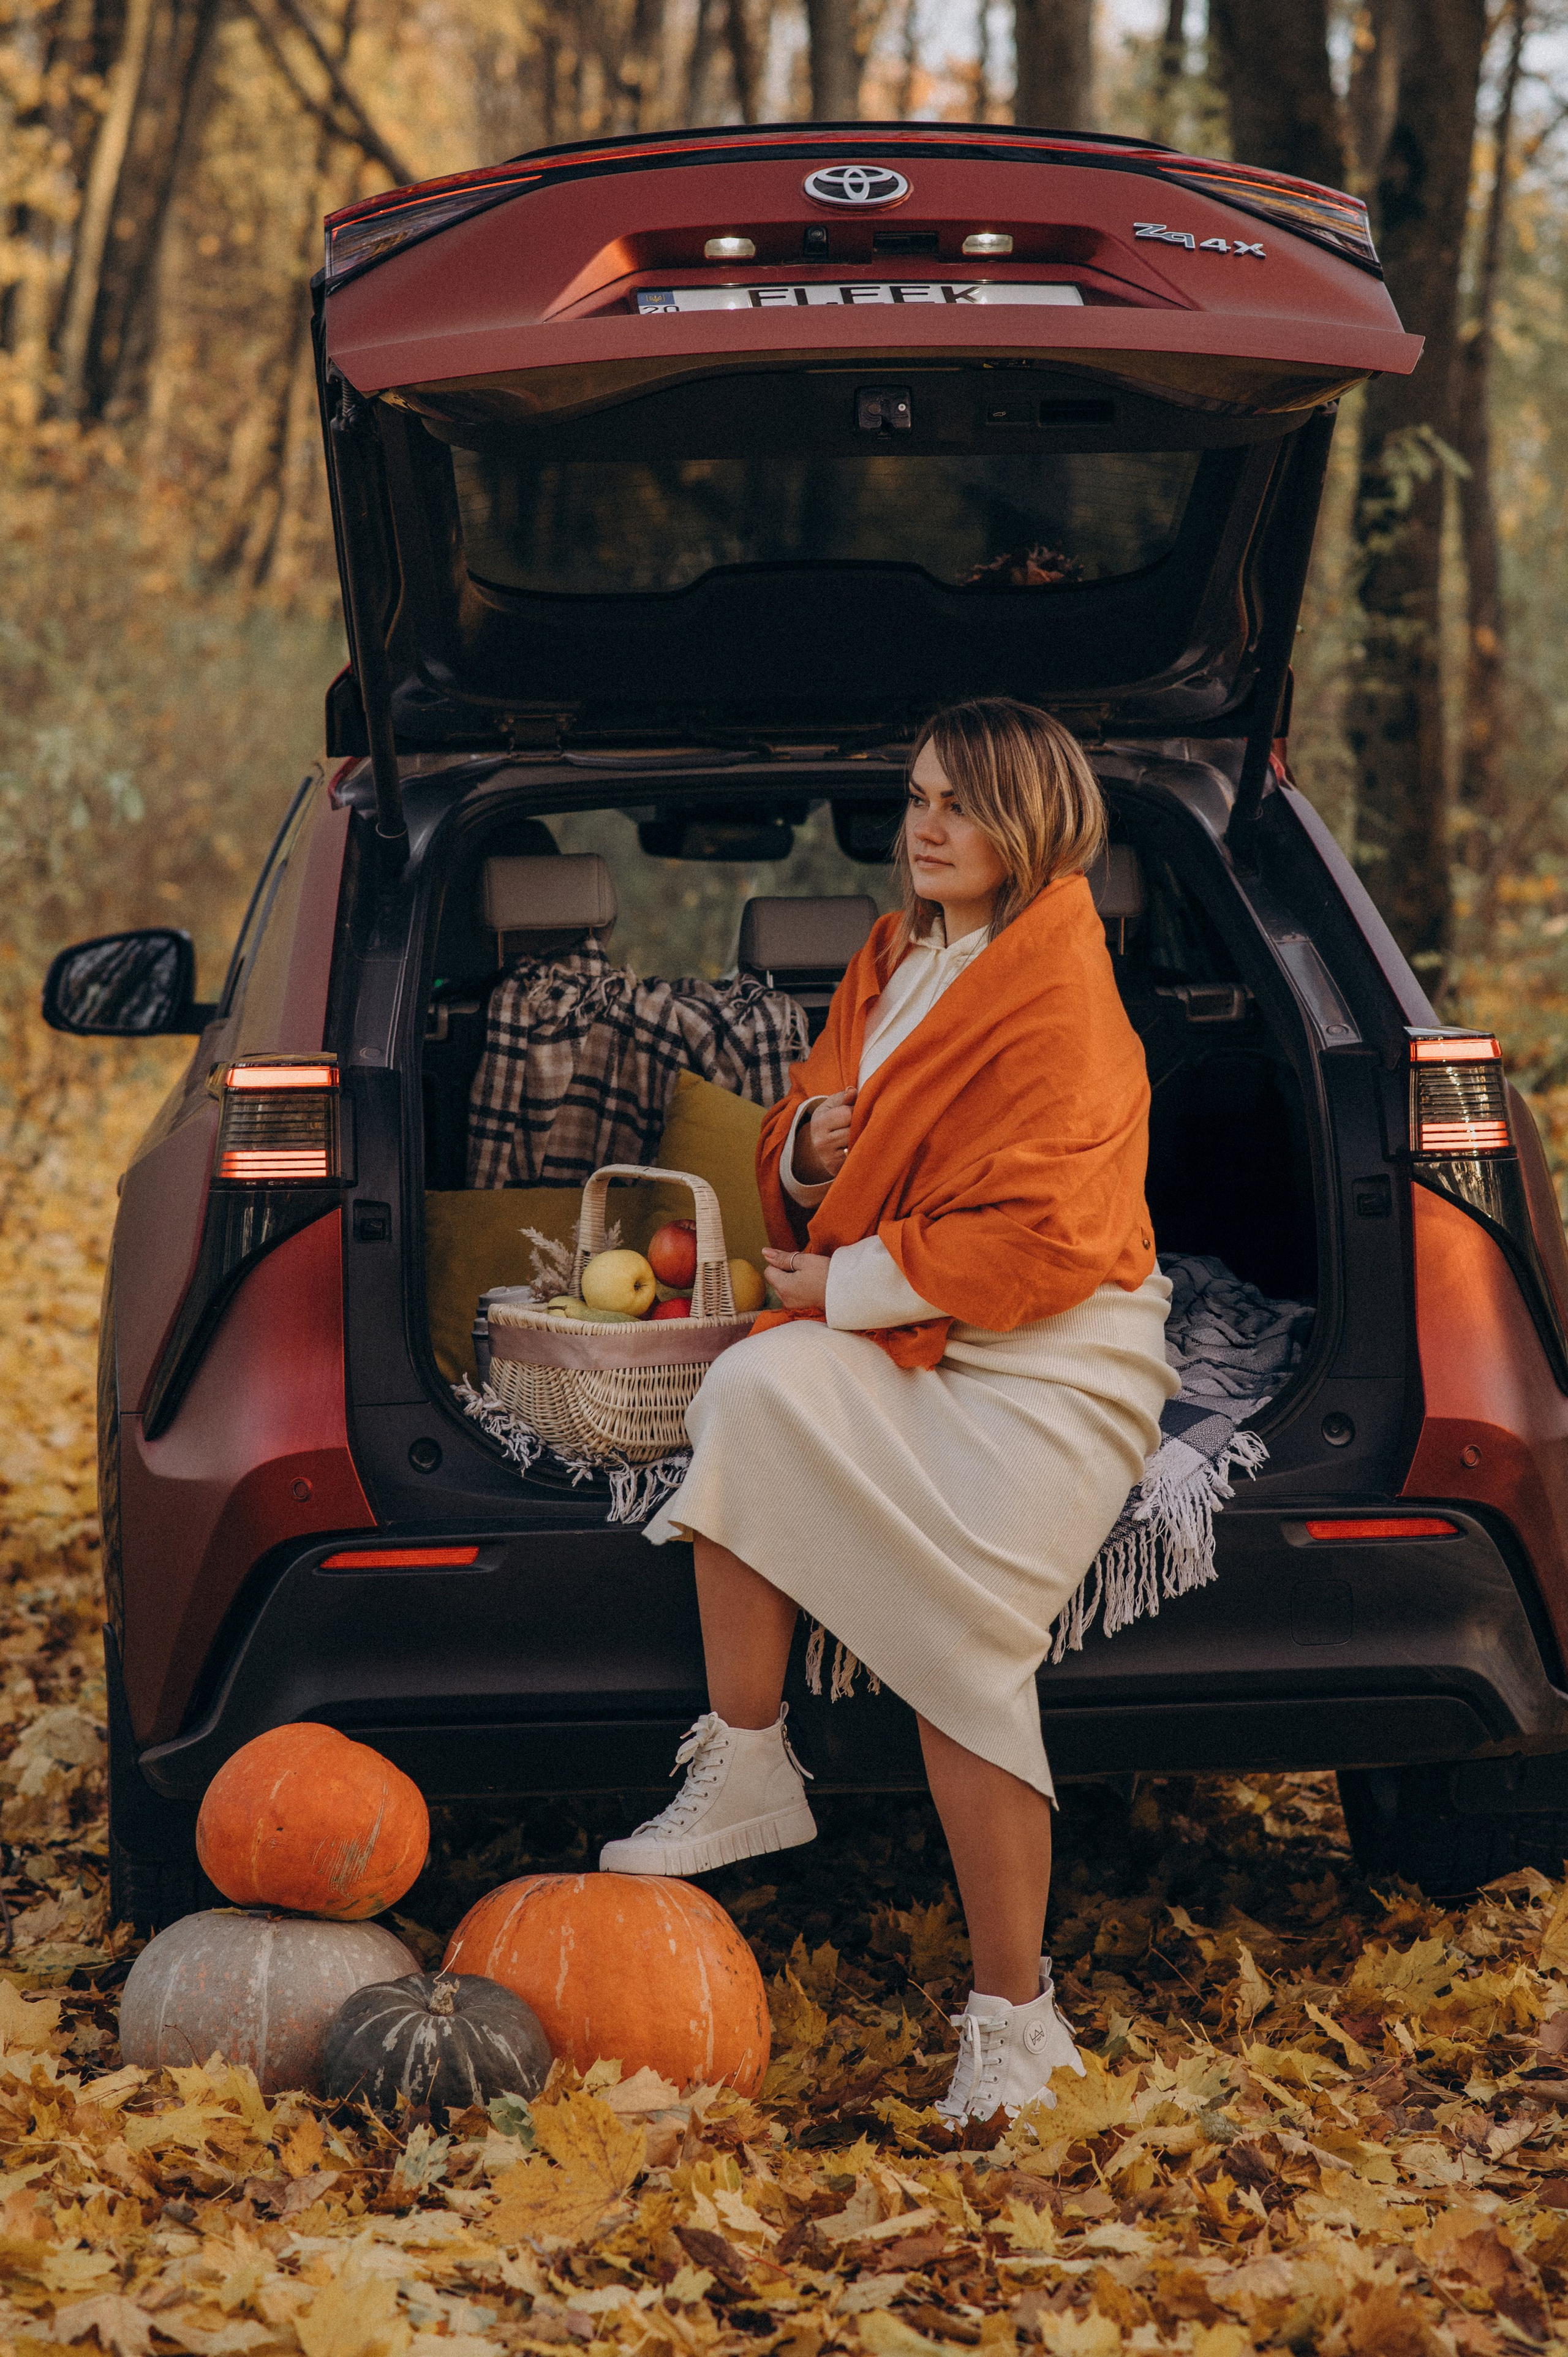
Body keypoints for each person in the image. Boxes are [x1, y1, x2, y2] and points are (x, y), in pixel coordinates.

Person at [607, 697, 1178, 2127]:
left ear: (1029, 825)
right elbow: (810, 1100)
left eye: (957, 806)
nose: (922, 827)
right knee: (748, 1386)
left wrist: (841, 1275)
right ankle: (745, 1761)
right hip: (906, 1316)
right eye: (916, 797)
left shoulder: (1062, 993)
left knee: (965, 1638)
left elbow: (1050, 1228)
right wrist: (802, 1143)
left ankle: (1011, 2017)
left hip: (1047, 1355)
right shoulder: (894, 951)